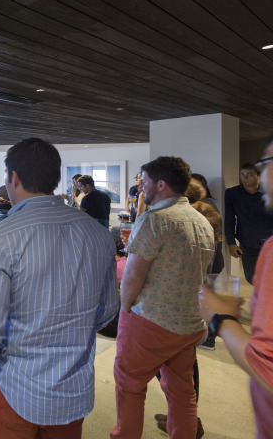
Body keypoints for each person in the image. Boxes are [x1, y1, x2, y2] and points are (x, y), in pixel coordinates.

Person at [0, 138, 118, 438]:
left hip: (13, 388)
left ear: (14, 178)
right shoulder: (99, 235)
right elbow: (107, 311)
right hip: (73, 390)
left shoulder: (2, 237)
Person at [112, 156, 215, 439]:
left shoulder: (154, 219)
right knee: (182, 389)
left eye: (144, 180)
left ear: (160, 183)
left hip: (152, 321)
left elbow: (133, 276)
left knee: (129, 383)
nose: (141, 187)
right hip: (190, 321)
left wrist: (124, 309)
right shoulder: (201, 221)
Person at [200, 137, 273, 437]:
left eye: (265, 163)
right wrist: (232, 241)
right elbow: (229, 221)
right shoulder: (231, 195)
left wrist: (222, 317)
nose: (260, 173)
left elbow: (266, 366)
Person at [224, 162, 273, 284]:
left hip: (269, 241)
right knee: (252, 277)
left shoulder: (269, 192)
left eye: (249, 175)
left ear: (258, 176)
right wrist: (231, 242)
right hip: (247, 242)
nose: (244, 178)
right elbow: (229, 218)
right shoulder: (232, 193)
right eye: (242, 174)